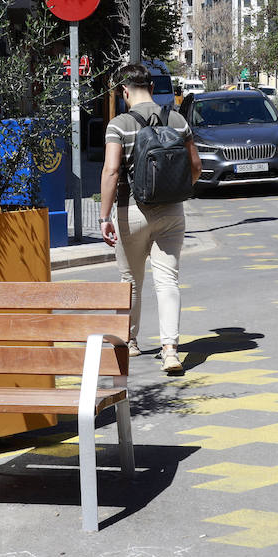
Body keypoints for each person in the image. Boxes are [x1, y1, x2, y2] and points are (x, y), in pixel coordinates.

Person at [99, 63, 201, 374]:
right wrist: (175, 189)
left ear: (124, 91)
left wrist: (104, 216)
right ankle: (170, 350)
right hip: (171, 211)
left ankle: (129, 341)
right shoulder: (177, 118)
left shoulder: (118, 124)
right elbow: (195, 166)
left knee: (130, 280)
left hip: (131, 211)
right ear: (152, 88)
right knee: (168, 279)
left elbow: (112, 171)